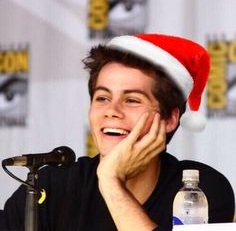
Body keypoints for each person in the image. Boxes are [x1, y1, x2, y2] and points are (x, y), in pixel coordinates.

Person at [1, 34, 235, 231]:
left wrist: (111, 183)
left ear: (169, 119)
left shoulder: (198, 190)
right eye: (102, 98)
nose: (111, 111)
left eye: (132, 100)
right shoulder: (51, 185)